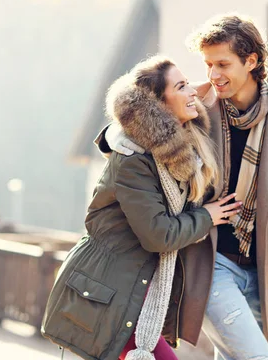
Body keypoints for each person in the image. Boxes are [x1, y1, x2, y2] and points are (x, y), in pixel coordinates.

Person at [103, 14, 268, 360]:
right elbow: (140, 113)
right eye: (208, 64)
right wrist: (114, 135)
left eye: (222, 64)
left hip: (263, 271)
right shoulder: (194, 103)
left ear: (251, 61)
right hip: (209, 264)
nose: (212, 75)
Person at [40, 55, 242, 360]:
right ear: (158, 104)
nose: (192, 93)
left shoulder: (174, 154)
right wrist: (207, 217)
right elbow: (158, 235)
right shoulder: (134, 159)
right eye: (182, 86)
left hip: (134, 293)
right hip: (106, 295)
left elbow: (198, 95)